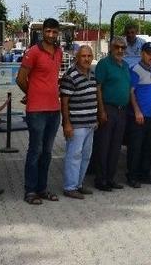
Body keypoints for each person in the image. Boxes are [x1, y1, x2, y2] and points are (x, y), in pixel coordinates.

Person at [16, 18, 63, 205]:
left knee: (47, 152)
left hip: (54, 110)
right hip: (36, 111)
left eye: (54, 32)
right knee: (35, 150)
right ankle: (30, 191)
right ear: (43, 32)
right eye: (48, 31)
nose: (51, 35)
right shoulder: (33, 52)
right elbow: (20, 79)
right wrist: (32, 94)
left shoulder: (59, 52)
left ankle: (42, 189)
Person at [125, 42, 151, 188]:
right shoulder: (135, 70)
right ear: (142, 54)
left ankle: (145, 174)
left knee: (149, 147)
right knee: (135, 148)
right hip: (138, 116)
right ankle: (132, 176)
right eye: (149, 54)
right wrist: (137, 111)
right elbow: (131, 92)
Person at [92, 36, 131, 191]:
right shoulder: (104, 64)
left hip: (122, 110)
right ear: (110, 47)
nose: (120, 50)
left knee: (116, 146)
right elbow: (98, 88)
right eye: (117, 47)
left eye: (123, 48)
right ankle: (100, 179)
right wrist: (101, 110)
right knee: (104, 145)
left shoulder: (125, 65)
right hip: (108, 109)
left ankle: (110, 178)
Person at [60, 45, 99, 199]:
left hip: (90, 123)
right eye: (83, 56)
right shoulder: (70, 76)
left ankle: (79, 184)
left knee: (85, 156)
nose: (87, 59)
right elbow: (64, 102)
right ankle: (69, 187)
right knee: (74, 156)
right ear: (77, 57)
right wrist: (66, 124)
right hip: (76, 125)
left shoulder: (92, 74)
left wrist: (95, 118)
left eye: (89, 56)